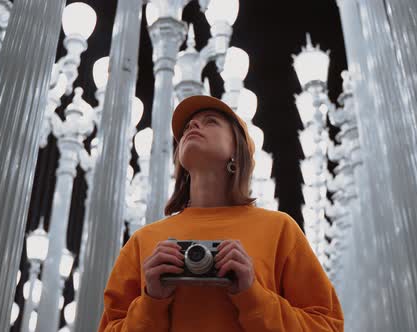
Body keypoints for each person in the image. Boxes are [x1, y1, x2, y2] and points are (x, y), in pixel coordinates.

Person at [97, 95, 344, 331]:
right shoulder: (142, 241)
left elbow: (327, 325)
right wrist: (151, 302)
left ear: (237, 151)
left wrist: (252, 295)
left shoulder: (280, 230)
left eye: (210, 121)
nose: (192, 124)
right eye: (187, 128)